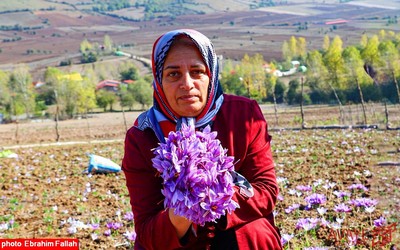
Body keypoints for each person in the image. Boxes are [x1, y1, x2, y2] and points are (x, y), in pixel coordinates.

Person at [122, 29, 282, 250]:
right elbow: (148, 229)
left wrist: (215, 194)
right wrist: (184, 209)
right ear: (159, 81)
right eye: (173, 74)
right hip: (177, 240)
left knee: (254, 233)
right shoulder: (142, 136)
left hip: (234, 230)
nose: (187, 84)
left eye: (197, 71)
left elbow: (266, 190)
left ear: (211, 75)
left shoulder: (244, 116)